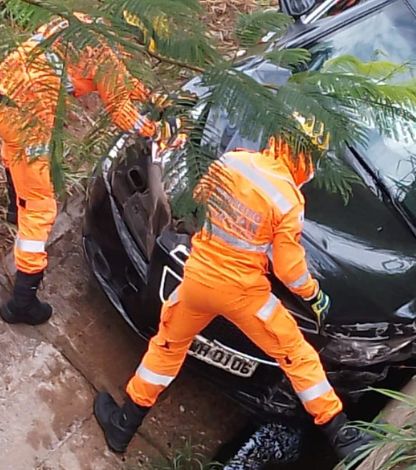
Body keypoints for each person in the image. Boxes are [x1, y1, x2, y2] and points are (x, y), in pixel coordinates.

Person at [94, 137, 372, 459]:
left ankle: (123, 425)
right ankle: (344, 437)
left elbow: (197, 199)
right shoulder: (288, 200)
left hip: (197, 280)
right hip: (243, 294)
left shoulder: (233, 161)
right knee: (296, 354)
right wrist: (313, 294)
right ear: (305, 160)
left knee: (167, 348)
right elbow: (289, 269)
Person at [0, 12, 177, 326]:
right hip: (26, 118)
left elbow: (116, 78)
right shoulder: (107, 55)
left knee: (14, 159)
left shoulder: (85, 26)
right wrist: (155, 132)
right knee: (40, 208)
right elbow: (122, 111)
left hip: (9, 87)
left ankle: (16, 204)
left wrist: (150, 96)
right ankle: (22, 302)